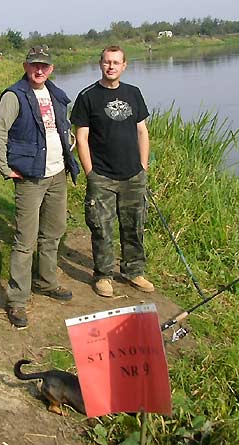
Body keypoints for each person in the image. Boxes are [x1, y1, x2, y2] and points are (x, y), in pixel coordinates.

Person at [0, 46, 80, 329]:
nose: (39, 70)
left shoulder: (56, 94)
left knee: (53, 232)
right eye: (34, 65)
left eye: (44, 66)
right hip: (30, 177)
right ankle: (17, 299)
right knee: (25, 240)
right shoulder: (14, 96)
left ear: (51, 69)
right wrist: (5, 168)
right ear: (26, 66)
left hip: (57, 174)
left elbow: (61, 128)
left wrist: (69, 145)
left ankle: (47, 281)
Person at [70, 45, 153, 298]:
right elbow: (81, 138)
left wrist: (143, 166)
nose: (111, 66)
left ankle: (134, 271)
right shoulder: (87, 96)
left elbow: (142, 131)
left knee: (134, 226)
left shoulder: (133, 93)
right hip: (102, 176)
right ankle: (103, 275)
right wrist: (90, 173)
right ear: (100, 64)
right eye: (107, 62)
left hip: (133, 175)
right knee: (101, 228)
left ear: (124, 66)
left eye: (116, 62)